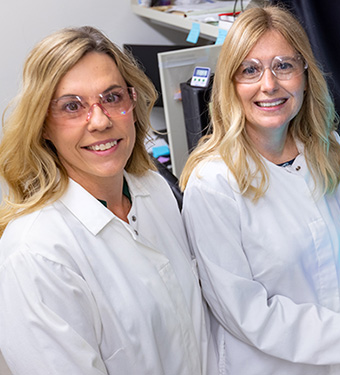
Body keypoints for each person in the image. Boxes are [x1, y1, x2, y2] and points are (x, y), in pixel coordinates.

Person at [180, 6, 340, 375]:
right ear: (230, 85)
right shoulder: (213, 183)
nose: (269, 84)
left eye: (284, 65)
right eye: (250, 70)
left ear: (306, 76)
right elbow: (249, 316)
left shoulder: (327, 151)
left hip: (338, 363)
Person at [0, 26, 216, 375]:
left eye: (112, 97)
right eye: (72, 107)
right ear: (43, 125)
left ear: (133, 104)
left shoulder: (154, 190)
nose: (99, 121)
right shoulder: (36, 254)